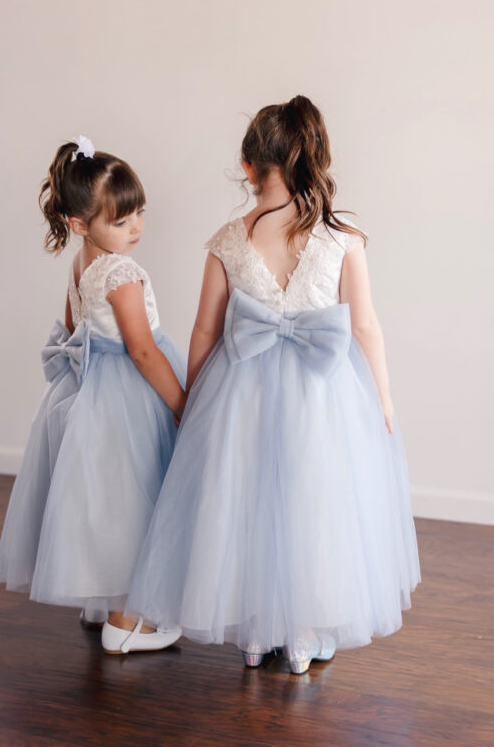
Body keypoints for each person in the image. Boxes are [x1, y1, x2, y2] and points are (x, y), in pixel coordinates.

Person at [128, 97, 419, 671]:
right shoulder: (345, 238)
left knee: (244, 502)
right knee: (317, 504)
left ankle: (258, 632)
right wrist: (381, 399)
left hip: (242, 396)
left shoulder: (229, 239)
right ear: (313, 158)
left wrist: (193, 402)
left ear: (247, 165)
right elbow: (364, 326)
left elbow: (205, 330)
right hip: (323, 397)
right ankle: (305, 630)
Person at [0, 140, 183, 655]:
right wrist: (182, 404)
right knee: (134, 501)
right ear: (80, 224)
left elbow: (75, 328)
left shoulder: (82, 264)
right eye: (122, 222)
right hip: (129, 396)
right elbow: (143, 351)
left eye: (139, 212)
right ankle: (126, 624)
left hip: (87, 391)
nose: (136, 227)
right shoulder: (123, 273)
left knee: (102, 499)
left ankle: (98, 603)